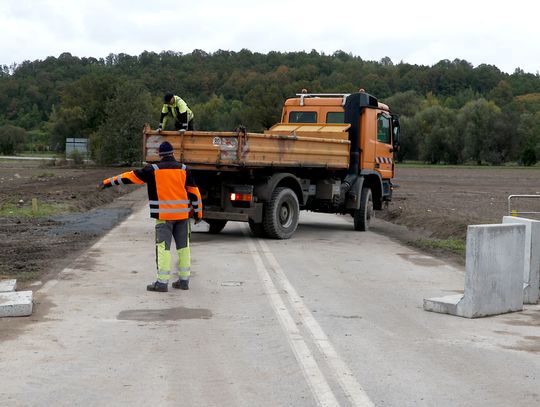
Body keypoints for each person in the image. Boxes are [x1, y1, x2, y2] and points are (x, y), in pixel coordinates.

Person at [99, 141, 202, 292]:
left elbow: (129, 177)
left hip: (163, 217)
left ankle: (161, 283)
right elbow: (194, 193)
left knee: (163, 248)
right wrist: (198, 213)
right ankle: (184, 281)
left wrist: (107, 182)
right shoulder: (184, 169)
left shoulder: (152, 170)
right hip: (182, 217)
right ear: (173, 153)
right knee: (183, 248)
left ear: (160, 155)